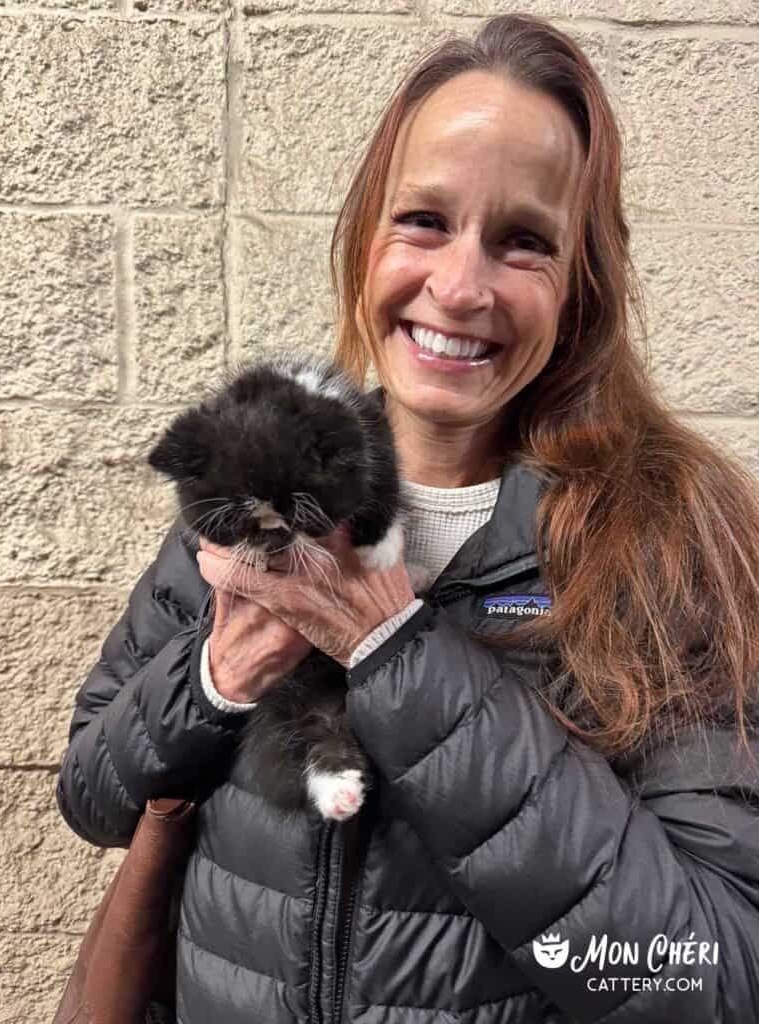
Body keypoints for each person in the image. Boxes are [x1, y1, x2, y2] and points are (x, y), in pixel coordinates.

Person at [56, 13, 759, 1023]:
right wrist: (213, 677)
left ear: (581, 286)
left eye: (523, 242)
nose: (461, 286)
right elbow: (91, 791)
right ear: (366, 241)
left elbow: (707, 978)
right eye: (424, 221)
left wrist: (397, 655)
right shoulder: (260, 488)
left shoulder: (667, 539)